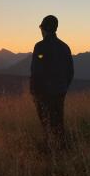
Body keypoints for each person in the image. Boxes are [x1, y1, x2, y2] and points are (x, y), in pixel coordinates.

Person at [30, 15, 74, 150]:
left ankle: (49, 148)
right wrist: (63, 88)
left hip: (43, 93)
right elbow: (70, 71)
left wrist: (34, 91)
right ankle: (62, 147)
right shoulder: (64, 47)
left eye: (41, 27)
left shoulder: (40, 47)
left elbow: (36, 70)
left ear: (44, 28)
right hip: (60, 91)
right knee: (58, 121)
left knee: (46, 122)